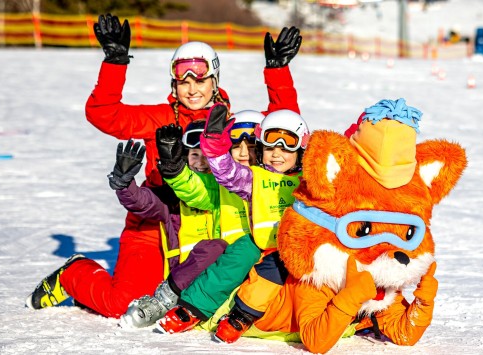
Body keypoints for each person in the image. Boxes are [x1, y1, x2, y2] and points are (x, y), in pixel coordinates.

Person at [25, 12, 301, 318]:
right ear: (174, 83)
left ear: (215, 80)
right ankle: (75, 274)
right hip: (154, 220)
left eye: (201, 79)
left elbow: (283, 130)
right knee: (124, 304)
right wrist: (115, 62)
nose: (192, 89)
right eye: (184, 81)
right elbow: (104, 114)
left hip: (208, 221)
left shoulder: (228, 123)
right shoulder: (160, 118)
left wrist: (278, 72)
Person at [156, 106, 310, 344]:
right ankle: (192, 309)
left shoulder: (307, 181)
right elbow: (222, 176)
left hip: (289, 253)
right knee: (241, 253)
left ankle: (245, 317)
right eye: (271, 145)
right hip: (248, 252)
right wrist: (210, 152)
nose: (278, 152)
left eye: (287, 144)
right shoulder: (251, 178)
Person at [120, 110, 267, 328]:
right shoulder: (221, 187)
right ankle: (166, 302)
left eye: (253, 148)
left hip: (262, 273)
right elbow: (194, 189)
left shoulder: (276, 182)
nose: (244, 154)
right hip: (219, 277)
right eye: (236, 147)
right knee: (215, 248)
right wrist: (174, 169)